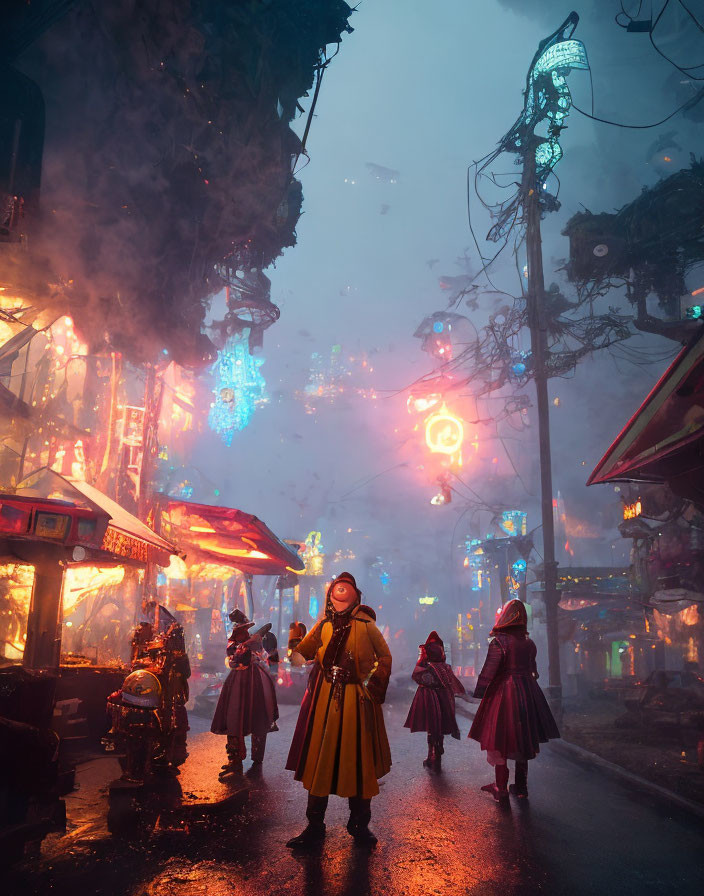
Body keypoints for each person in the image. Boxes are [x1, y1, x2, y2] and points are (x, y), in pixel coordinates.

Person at [285, 572, 392, 848]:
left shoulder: (366, 624)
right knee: (320, 760)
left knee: (358, 761)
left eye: (345, 589)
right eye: (336, 589)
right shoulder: (323, 626)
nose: (340, 594)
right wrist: (291, 643)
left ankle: (359, 825)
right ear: (330, 595)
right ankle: (314, 825)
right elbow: (300, 656)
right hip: (326, 698)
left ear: (355, 595)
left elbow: (384, 657)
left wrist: (368, 684)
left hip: (357, 700)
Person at [469, 599, 559, 801]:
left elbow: (489, 671)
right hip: (527, 692)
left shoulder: (499, 642)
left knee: (500, 737)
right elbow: (534, 671)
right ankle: (521, 787)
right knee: (522, 737)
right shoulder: (529, 643)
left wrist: (480, 692)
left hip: (504, 693)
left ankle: (500, 788)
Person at [210, 609, 279, 777]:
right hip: (239, 678)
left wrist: (246, 651)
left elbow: (259, 655)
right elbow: (232, 655)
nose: (237, 628)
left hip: (253, 679)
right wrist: (236, 657)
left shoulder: (256, 639)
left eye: (239, 625)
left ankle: (256, 757)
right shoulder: (236, 640)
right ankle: (235, 759)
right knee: (234, 717)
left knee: (258, 716)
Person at [404, 631, 465, 771]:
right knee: (440, 728)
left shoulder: (428, 669)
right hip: (445, 700)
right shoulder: (445, 668)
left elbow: (416, 676)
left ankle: (432, 755)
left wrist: (421, 660)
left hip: (430, 701)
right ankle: (437, 753)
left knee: (432, 729)